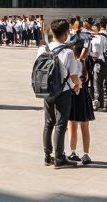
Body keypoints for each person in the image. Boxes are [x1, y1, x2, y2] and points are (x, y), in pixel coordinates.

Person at [40, 20, 79, 168]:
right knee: (61, 124)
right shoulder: (68, 52)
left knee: (48, 123)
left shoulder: (43, 48)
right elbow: (74, 74)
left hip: (47, 89)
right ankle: (59, 158)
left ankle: (47, 156)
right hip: (63, 90)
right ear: (67, 33)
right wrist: (78, 85)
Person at [66, 34, 94, 166]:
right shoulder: (83, 61)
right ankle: (86, 154)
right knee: (85, 126)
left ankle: (72, 151)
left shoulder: (73, 61)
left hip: (73, 93)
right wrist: (86, 44)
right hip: (84, 95)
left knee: (72, 125)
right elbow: (84, 52)